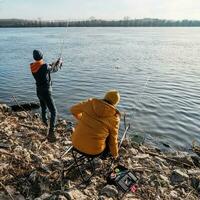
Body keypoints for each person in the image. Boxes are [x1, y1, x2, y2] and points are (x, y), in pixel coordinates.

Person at [70, 90, 121, 159]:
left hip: (75, 143)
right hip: (94, 151)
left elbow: (73, 110)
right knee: (109, 136)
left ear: (105, 97)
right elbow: (113, 140)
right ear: (115, 103)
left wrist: (82, 119)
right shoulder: (114, 118)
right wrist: (115, 154)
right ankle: (103, 157)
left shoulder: (90, 103)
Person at [30, 49, 62, 143]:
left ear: (34, 57)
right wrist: (59, 63)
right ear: (42, 56)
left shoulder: (32, 66)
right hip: (46, 92)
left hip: (39, 91)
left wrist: (54, 63)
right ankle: (51, 131)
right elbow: (54, 69)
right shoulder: (44, 66)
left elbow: (48, 67)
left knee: (44, 108)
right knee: (54, 111)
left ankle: (45, 124)